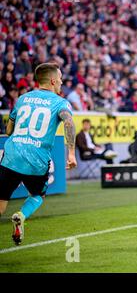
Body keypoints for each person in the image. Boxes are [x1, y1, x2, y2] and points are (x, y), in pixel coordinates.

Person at [0, 62, 77, 245]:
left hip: (11, 155)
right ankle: (21, 215)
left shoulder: (22, 99)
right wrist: (71, 153)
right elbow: (69, 122)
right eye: (59, 79)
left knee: (1, 201)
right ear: (52, 80)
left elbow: (9, 129)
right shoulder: (60, 103)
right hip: (36, 160)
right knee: (37, 195)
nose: (61, 82)